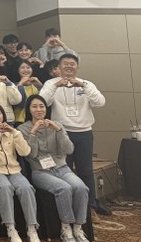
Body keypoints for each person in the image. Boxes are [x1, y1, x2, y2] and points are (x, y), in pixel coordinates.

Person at [39, 54, 108, 216]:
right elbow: (42, 102)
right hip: (61, 133)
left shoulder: (86, 84)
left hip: (84, 133)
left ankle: (90, 207)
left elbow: (100, 102)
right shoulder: (51, 83)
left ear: (77, 67)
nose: (69, 66)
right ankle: (69, 206)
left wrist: (83, 86)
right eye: (65, 64)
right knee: (65, 170)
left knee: (86, 171)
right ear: (59, 67)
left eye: (72, 64)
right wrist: (56, 85)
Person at [19, 95, 90, 242]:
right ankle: (66, 227)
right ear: (29, 109)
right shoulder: (23, 129)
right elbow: (31, 154)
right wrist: (33, 132)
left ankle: (78, 227)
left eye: (41, 106)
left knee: (81, 187)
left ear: (46, 108)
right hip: (40, 171)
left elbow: (69, 150)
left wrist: (58, 131)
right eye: (34, 106)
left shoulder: (57, 125)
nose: (39, 110)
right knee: (63, 188)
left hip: (61, 168)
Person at [0, 103, 40, 242]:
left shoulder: (12, 132)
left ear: (3, 115)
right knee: (5, 187)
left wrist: (14, 132)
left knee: (26, 188)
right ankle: (10, 228)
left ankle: (32, 228)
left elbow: (25, 152)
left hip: (14, 170)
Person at [15, 60, 42, 125]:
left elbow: (44, 100)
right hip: (19, 120)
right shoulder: (14, 86)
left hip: (37, 120)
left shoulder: (36, 84)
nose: (25, 70)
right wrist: (20, 84)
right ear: (18, 71)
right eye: (22, 68)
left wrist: (40, 85)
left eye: (28, 67)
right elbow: (18, 103)